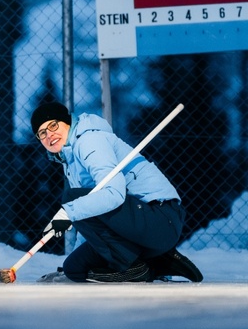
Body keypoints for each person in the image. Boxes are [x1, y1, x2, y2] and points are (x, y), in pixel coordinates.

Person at [29, 101, 203, 283]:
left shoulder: (89, 141)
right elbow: (90, 216)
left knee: (72, 199)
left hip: (161, 218)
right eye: (42, 133)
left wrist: (68, 212)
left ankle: (134, 267)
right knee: (75, 268)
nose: (50, 135)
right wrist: (73, 217)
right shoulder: (70, 159)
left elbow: (114, 194)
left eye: (53, 125)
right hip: (136, 228)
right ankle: (159, 262)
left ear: (67, 122)